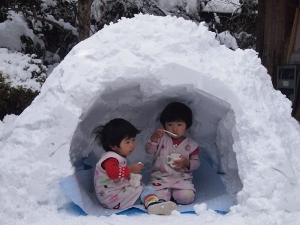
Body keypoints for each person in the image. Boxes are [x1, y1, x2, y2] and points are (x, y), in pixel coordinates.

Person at [93, 118, 177, 215]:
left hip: (112, 195)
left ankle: (152, 200)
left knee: (142, 187)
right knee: (145, 189)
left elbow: (114, 177)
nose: (132, 145)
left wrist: (130, 178)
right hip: (112, 197)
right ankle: (153, 204)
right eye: (127, 142)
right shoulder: (110, 159)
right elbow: (113, 173)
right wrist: (131, 169)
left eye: (133, 140)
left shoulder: (115, 157)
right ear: (113, 146)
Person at [145, 102, 200, 205]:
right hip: (160, 179)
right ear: (164, 124)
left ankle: (175, 196)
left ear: (186, 125)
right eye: (170, 125)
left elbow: (196, 163)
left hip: (182, 181)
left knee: (186, 197)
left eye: (179, 125)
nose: (174, 129)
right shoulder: (160, 139)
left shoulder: (191, 145)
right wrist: (154, 137)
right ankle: (167, 197)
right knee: (158, 198)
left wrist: (186, 163)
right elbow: (149, 150)